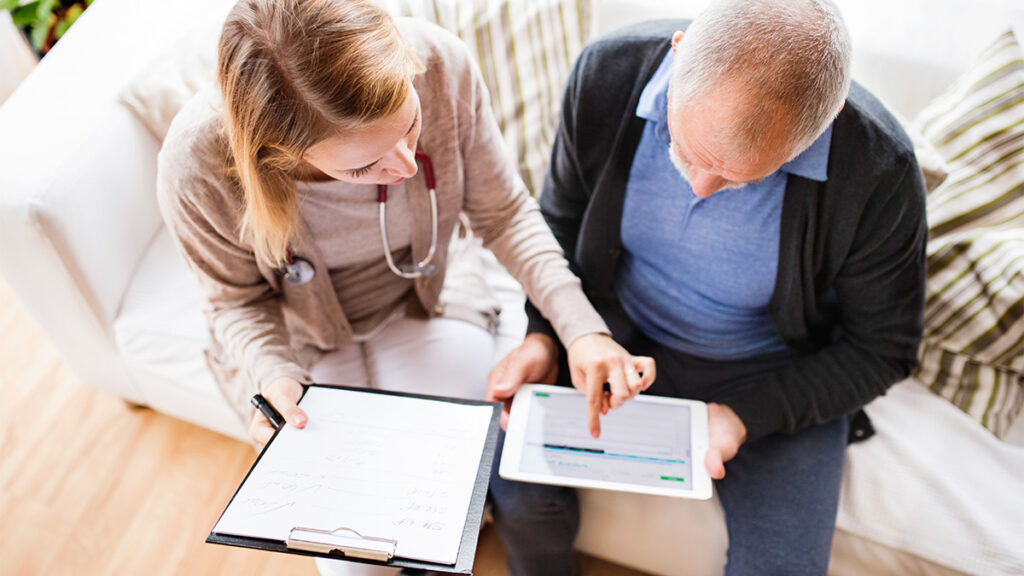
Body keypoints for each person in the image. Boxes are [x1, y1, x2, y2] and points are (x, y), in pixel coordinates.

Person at [156, 1, 656, 575]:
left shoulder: (440, 64)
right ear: (281, 154)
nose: (405, 167)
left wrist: (582, 328)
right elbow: (234, 300)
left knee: (450, 491)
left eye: (410, 127)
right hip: (302, 344)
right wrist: (274, 376)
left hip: (428, 301)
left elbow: (505, 214)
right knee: (356, 560)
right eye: (362, 166)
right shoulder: (196, 164)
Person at [486, 0, 928, 574]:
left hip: (773, 370)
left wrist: (744, 416)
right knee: (514, 488)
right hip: (614, 334)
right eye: (688, 149)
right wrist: (549, 336)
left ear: (823, 124)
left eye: (742, 178)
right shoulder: (605, 75)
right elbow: (561, 223)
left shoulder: (879, 169)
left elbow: (884, 349)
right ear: (678, 54)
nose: (699, 185)